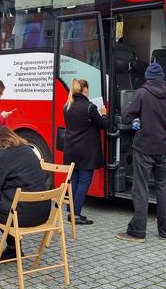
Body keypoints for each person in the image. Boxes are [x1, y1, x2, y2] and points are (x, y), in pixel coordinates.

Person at [0, 126, 51, 273]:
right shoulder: (28, 150)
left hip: (22, 215)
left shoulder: (1, 156)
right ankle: (13, 249)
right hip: (43, 212)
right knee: (4, 206)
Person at [116, 62, 166, 243]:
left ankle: (137, 231)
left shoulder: (142, 93)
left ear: (147, 78)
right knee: (163, 188)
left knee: (141, 188)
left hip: (144, 148)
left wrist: (138, 118)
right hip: (165, 149)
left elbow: (127, 115)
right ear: (162, 78)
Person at [63, 79, 109, 225]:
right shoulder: (90, 107)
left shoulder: (67, 106)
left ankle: (72, 212)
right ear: (85, 90)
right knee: (84, 182)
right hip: (86, 151)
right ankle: (76, 215)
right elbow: (103, 125)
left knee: (75, 181)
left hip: (71, 150)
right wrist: (104, 114)